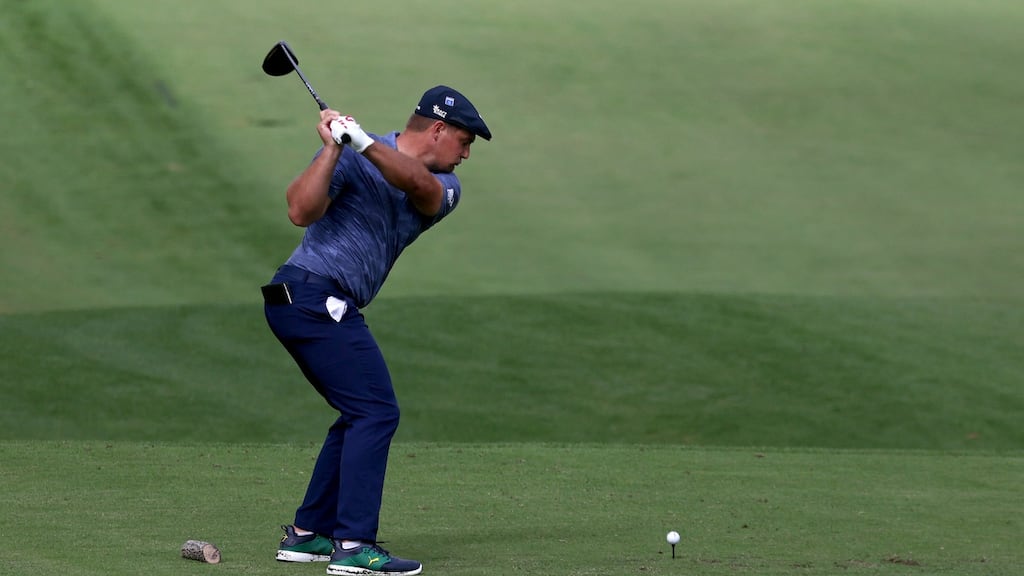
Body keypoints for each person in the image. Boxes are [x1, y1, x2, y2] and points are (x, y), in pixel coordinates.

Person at [262, 85, 491, 576]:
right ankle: (354, 545)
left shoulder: (444, 186)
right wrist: (330, 150)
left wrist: (361, 141)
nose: (467, 154)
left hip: (313, 303)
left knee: (358, 412)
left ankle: (308, 535)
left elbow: (418, 188)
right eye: (465, 141)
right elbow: (300, 211)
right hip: (308, 296)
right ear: (438, 129)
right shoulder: (350, 153)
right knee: (375, 412)